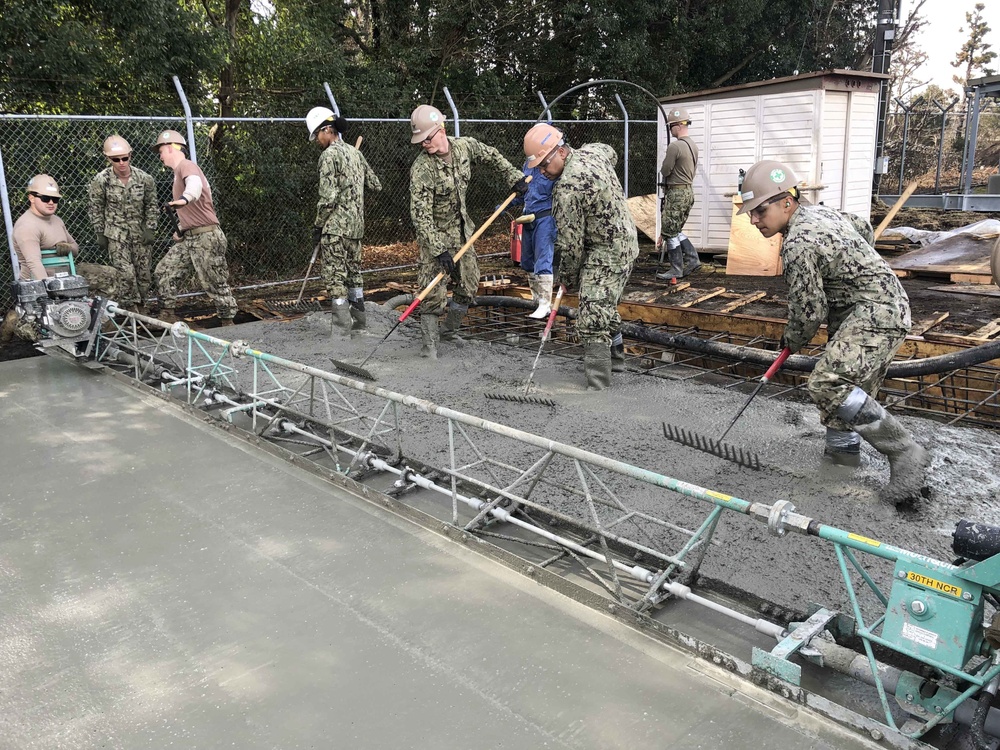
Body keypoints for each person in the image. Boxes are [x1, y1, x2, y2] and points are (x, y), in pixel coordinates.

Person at [738, 159, 928, 504]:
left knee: (828, 383)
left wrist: (792, 339)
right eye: (749, 212)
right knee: (848, 392)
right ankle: (842, 462)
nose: (753, 220)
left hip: (876, 314)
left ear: (786, 201)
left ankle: (905, 452)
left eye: (759, 211)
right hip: (869, 308)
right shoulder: (825, 214)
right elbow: (862, 227)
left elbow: (809, 312)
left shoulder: (797, 244)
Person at [523, 124, 639, 390]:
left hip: (607, 253)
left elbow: (570, 245)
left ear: (561, 152)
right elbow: (610, 151)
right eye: (537, 166)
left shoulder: (567, 189)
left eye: (544, 164)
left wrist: (566, 277)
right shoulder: (592, 153)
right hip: (627, 242)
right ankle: (616, 362)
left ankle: (597, 385)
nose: (541, 171)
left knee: (591, 317)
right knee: (602, 304)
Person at [409, 104, 526, 358]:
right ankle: (429, 346)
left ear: (440, 129)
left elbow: (491, 155)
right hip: (435, 238)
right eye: (419, 141)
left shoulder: (464, 147)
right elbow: (420, 215)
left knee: (470, 283)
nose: (423, 145)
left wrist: (513, 176)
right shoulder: (422, 168)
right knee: (432, 292)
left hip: (463, 233)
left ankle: (449, 332)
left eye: (426, 139)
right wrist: (439, 250)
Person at [305, 107, 382, 336]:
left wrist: (318, 225)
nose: (317, 140)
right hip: (356, 229)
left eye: (318, 135)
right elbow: (375, 184)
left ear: (327, 130)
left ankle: (341, 331)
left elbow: (327, 198)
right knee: (355, 275)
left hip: (335, 229)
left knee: (335, 277)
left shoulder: (328, 156)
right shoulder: (355, 154)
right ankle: (359, 324)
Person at [151, 129, 237, 326]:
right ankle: (168, 313)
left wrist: (184, 199)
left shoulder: (187, 166)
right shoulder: (177, 173)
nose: (160, 156)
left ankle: (227, 320)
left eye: (161, 151)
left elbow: (195, 186)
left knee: (214, 280)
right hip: (190, 236)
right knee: (165, 270)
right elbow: (199, 206)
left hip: (206, 236)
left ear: (170, 148)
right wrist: (182, 226)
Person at [87, 135, 158, 313]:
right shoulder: (101, 180)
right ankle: (130, 309)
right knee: (126, 274)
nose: (121, 162)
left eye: (124, 158)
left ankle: (142, 306)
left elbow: (151, 205)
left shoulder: (144, 178)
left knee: (144, 274)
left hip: (139, 233)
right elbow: (96, 207)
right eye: (115, 159)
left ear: (130, 155)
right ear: (108, 159)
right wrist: (100, 233)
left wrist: (150, 228)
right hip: (116, 234)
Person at [655, 106, 701, 285]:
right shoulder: (693, 145)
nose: (670, 129)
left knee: (670, 231)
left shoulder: (675, 146)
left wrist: (666, 171)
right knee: (675, 228)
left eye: (671, 126)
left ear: (678, 125)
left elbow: (665, 170)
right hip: (688, 190)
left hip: (676, 192)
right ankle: (692, 258)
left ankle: (676, 268)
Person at [515, 147, 557, 319]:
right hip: (528, 217)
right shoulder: (528, 164)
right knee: (527, 261)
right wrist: (508, 203)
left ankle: (545, 304)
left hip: (545, 217)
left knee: (543, 258)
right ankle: (536, 298)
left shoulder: (552, 165)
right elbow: (524, 193)